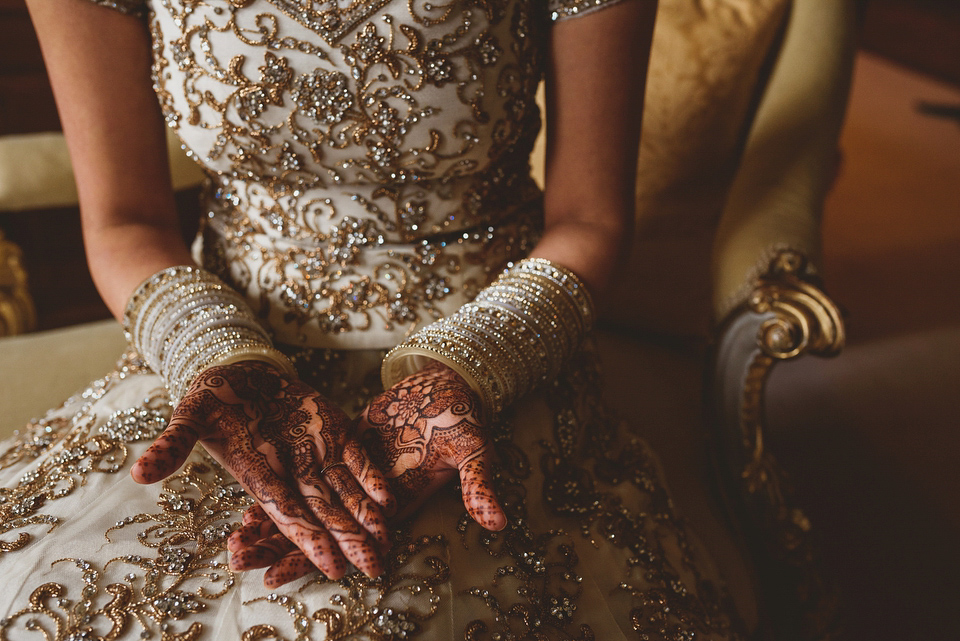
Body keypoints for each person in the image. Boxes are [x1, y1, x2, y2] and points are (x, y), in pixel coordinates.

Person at [0, 0, 745, 637]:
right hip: (223, 362)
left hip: (488, 360)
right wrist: (213, 351)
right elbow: (124, 221)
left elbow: (592, 218)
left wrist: (468, 368)